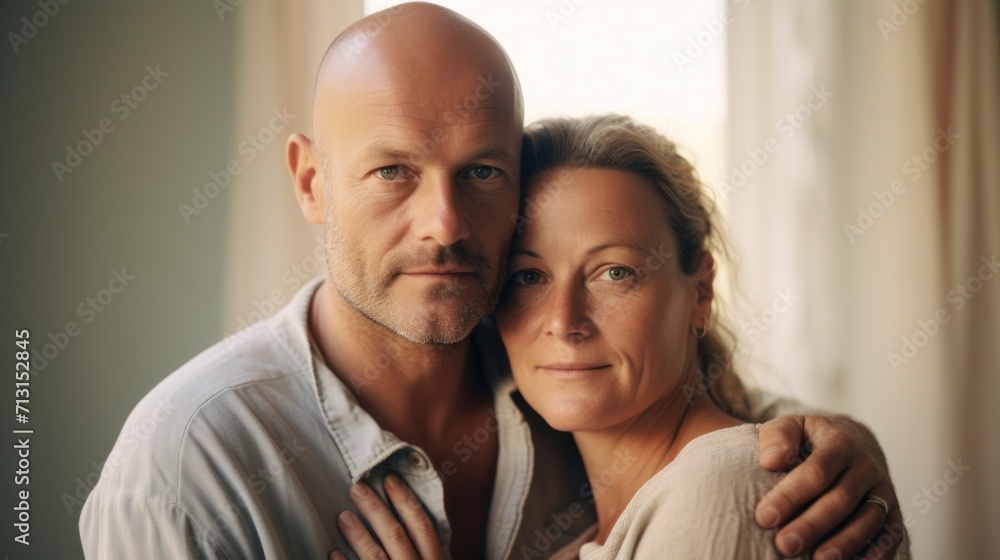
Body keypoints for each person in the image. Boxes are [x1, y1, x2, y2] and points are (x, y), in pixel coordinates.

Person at [79, 3, 904, 559]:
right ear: (310, 181)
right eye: (393, 170)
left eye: (480, 171)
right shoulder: (191, 467)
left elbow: (725, 456)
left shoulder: (561, 387)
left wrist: (833, 444)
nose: (443, 223)